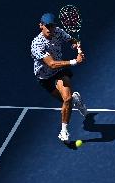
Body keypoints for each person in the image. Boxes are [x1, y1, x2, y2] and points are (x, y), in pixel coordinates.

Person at [31, 12, 88, 142]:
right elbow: (51, 64)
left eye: (52, 26)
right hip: (45, 77)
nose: (50, 29)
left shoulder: (58, 32)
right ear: (41, 26)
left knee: (66, 99)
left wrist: (76, 45)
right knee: (64, 101)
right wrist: (75, 61)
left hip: (59, 72)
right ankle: (76, 99)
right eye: (48, 26)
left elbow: (72, 40)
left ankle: (63, 131)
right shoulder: (37, 44)